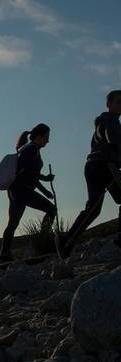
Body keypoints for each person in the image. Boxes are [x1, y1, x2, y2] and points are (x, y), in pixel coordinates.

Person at [60, 91, 121, 257]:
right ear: (108, 104)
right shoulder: (111, 118)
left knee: (93, 208)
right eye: (118, 102)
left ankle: (67, 240)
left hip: (92, 165)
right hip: (106, 166)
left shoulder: (102, 122)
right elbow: (113, 138)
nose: (120, 106)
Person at [0, 123, 56, 262]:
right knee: (51, 209)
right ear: (40, 136)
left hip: (16, 190)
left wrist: (44, 185)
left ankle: (4, 256)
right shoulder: (31, 149)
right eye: (47, 137)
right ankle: (42, 242)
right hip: (22, 190)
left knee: (13, 223)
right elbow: (29, 173)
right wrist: (45, 183)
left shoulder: (28, 148)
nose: (48, 141)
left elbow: (30, 173)